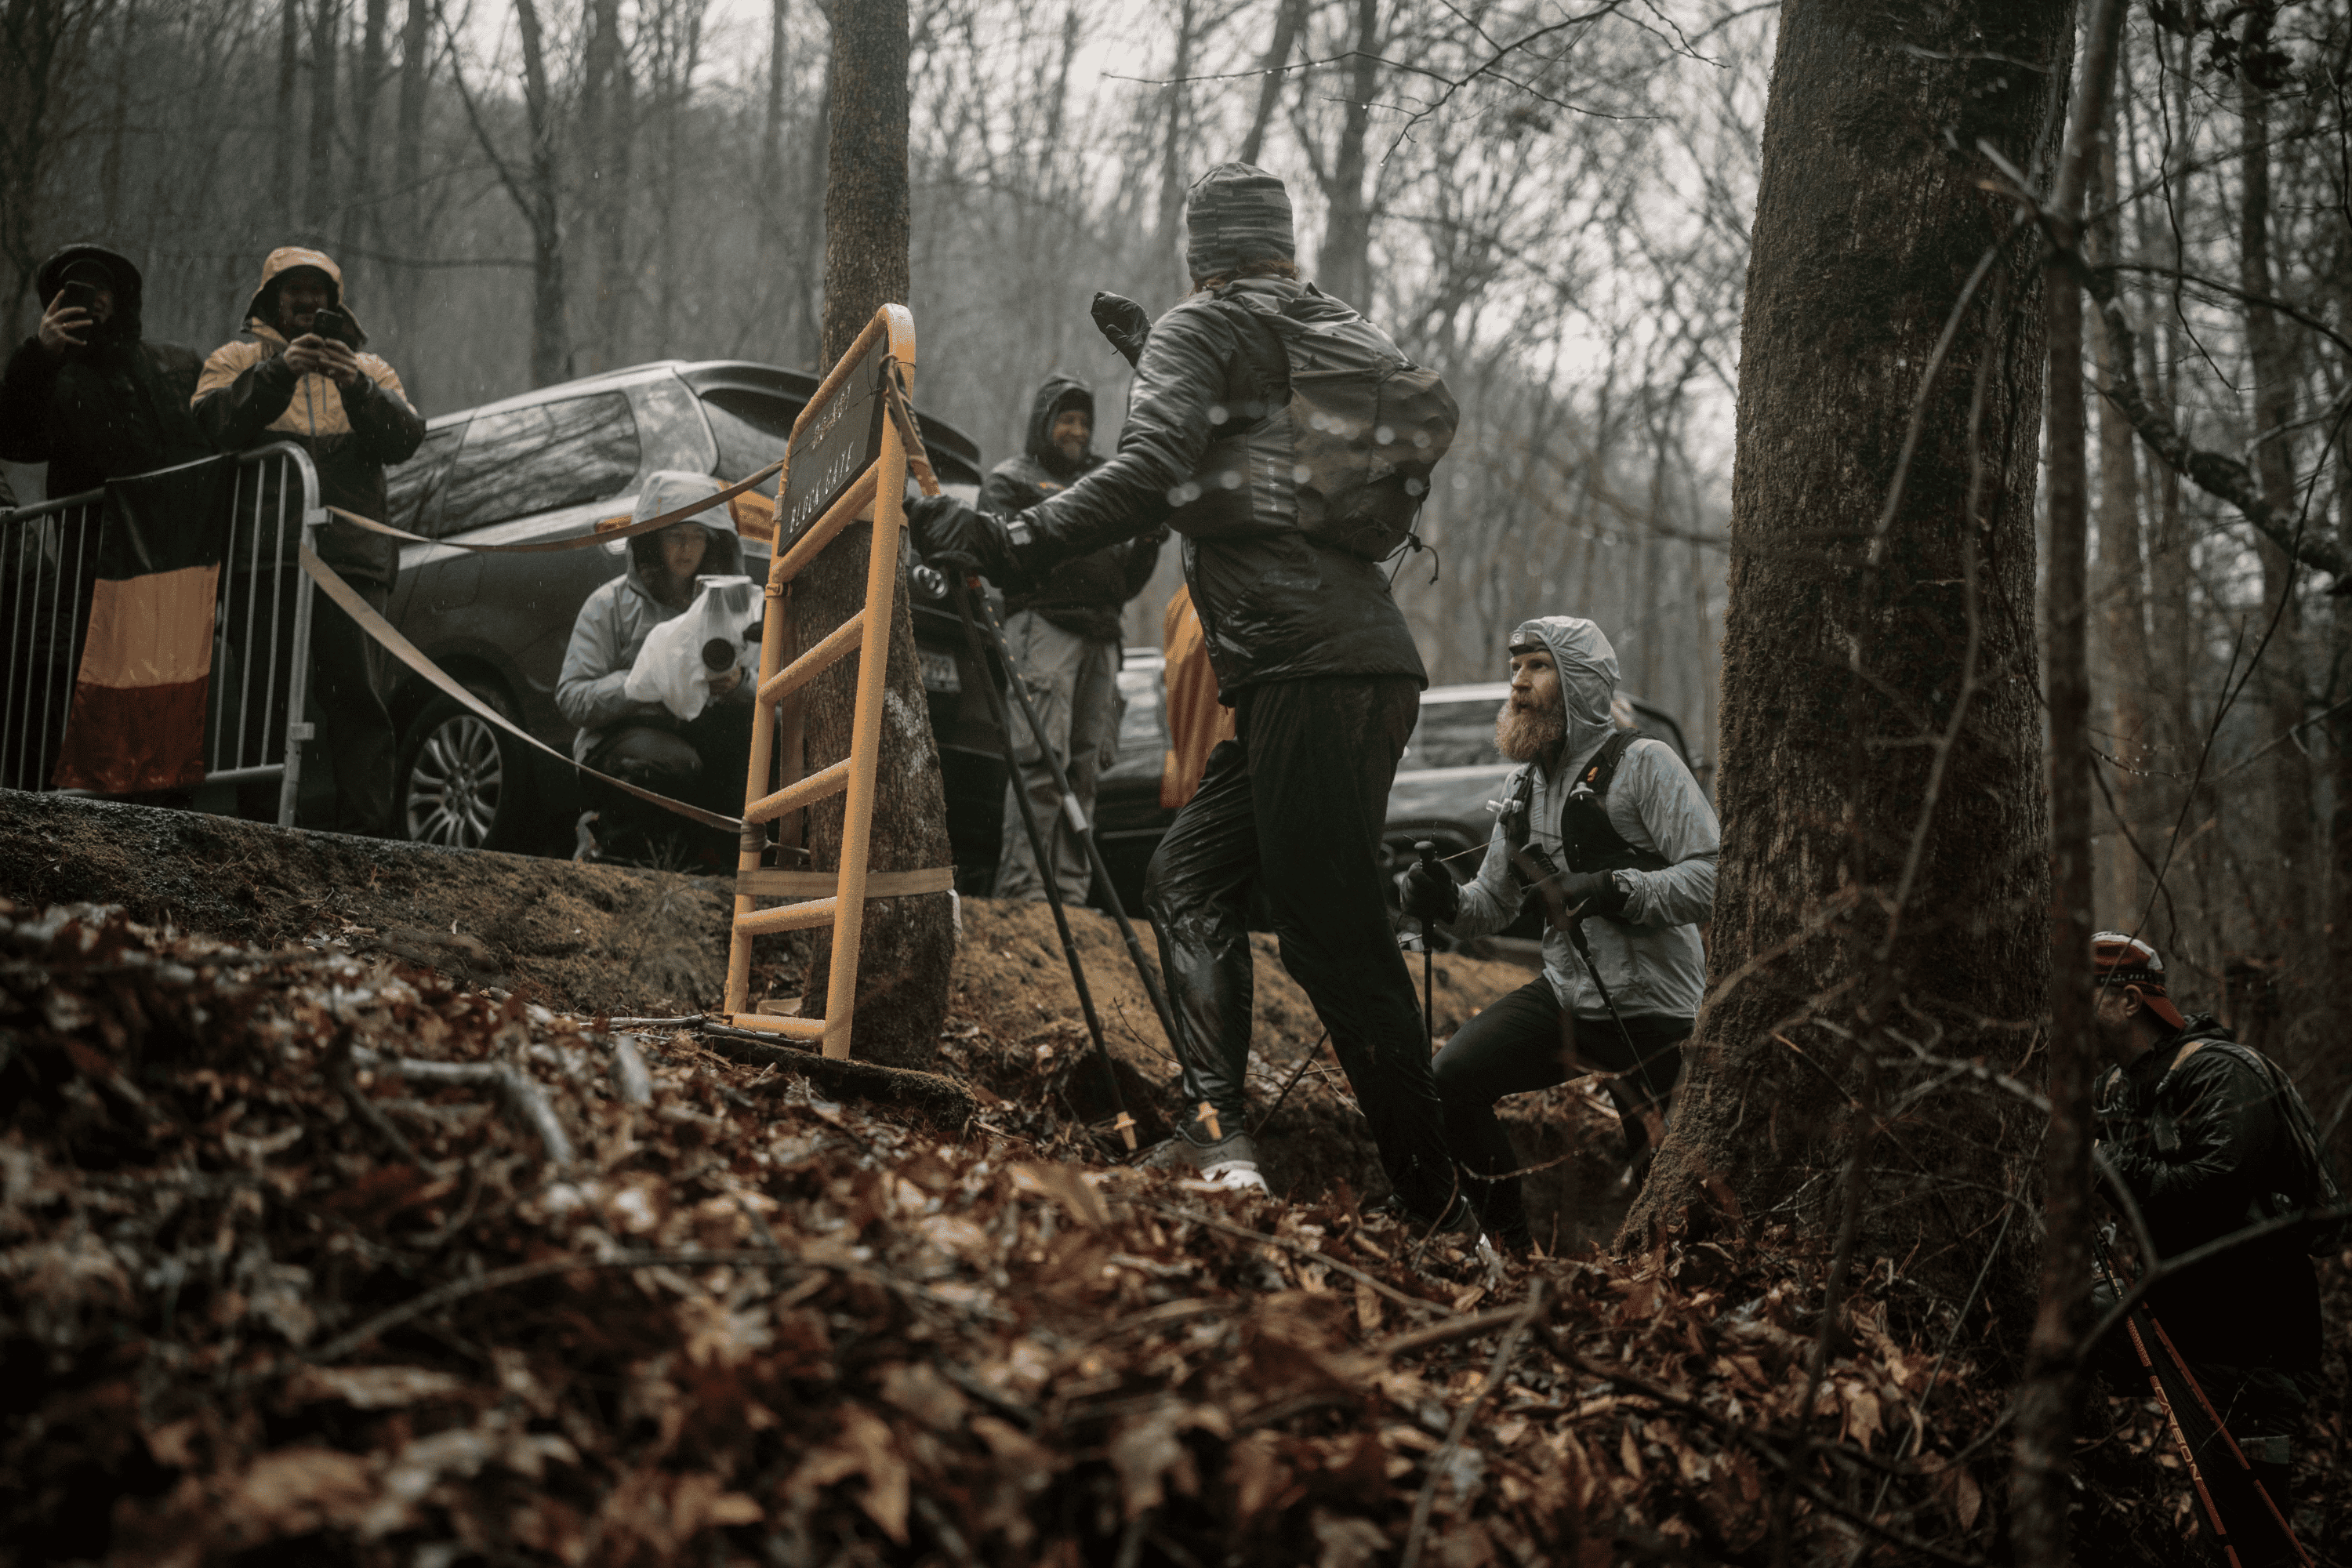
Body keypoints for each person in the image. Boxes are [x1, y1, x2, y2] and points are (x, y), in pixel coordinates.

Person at [911, 163, 1470, 1232]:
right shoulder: (1323, 326)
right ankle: (1218, 1133)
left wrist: (1010, 536)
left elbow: (1153, 472)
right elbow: (1244, 455)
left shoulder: (1200, 327)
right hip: (1336, 661)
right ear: (1283, 245)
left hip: (1309, 667)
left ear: (1197, 249)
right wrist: (1147, 357)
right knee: (1187, 876)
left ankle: (1440, 1209)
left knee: (1336, 944)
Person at [1400, 618, 1719, 1250]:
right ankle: (1511, 1250)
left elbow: (1714, 877)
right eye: (1515, 667)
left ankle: (1667, 1290)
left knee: (1667, 1180)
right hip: (1568, 997)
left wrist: (1613, 888)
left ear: (1581, 682)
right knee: (1450, 1081)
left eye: (1537, 667)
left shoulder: (1646, 764)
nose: (1517, 683)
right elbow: (1490, 904)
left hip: (1655, 1010)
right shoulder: (1524, 784)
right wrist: (1443, 901)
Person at [2087, 931, 2326, 1526]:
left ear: (2129, 1000)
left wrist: (2101, 1163)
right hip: (2178, 1328)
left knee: (2250, 1532)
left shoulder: (2221, 1072)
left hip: (2252, 1346)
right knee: (2053, 1318)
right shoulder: (2115, 1088)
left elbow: (2213, 1193)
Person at [193, 247, 425, 836]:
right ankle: (260, 835)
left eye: (318, 292)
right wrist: (280, 371)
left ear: (334, 302)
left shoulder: (372, 368)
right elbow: (214, 425)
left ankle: (369, 844)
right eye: (293, 290)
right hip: (264, 561)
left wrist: (357, 388)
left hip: (352, 565)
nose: (307, 302)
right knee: (266, 704)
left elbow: (405, 438)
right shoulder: (234, 358)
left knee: (360, 704)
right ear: (269, 299)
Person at [983, 375, 1163, 904]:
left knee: (1085, 772)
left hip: (1104, 637)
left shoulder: (1107, 479)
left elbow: (1125, 581)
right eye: (1066, 419)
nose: (1077, 431)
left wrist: (1149, 540)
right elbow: (1006, 557)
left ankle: (1068, 893)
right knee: (1041, 763)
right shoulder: (1011, 480)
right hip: (1044, 629)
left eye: (1084, 422)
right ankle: (1026, 893)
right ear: (1044, 423)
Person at [558, 470, 756, 867]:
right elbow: (571, 696)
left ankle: (722, 867)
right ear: (652, 538)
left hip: (698, 734)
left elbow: (764, 686)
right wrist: (635, 687)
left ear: (712, 542)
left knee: (763, 743)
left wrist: (736, 683)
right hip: (624, 741)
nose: (686, 548)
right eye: (674, 534)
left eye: (697, 536)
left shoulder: (728, 606)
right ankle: (610, 848)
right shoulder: (610, 604)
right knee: (669, 763)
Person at [0, 244, 212, 499]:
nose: (94, 297)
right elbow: (15, 441)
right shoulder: (53, 377)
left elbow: (216, 435)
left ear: (116, 298)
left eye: (100, 287)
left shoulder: (179, 362)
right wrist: (40, 353)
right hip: (101, 532)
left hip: (185, 523)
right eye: (77, 289)